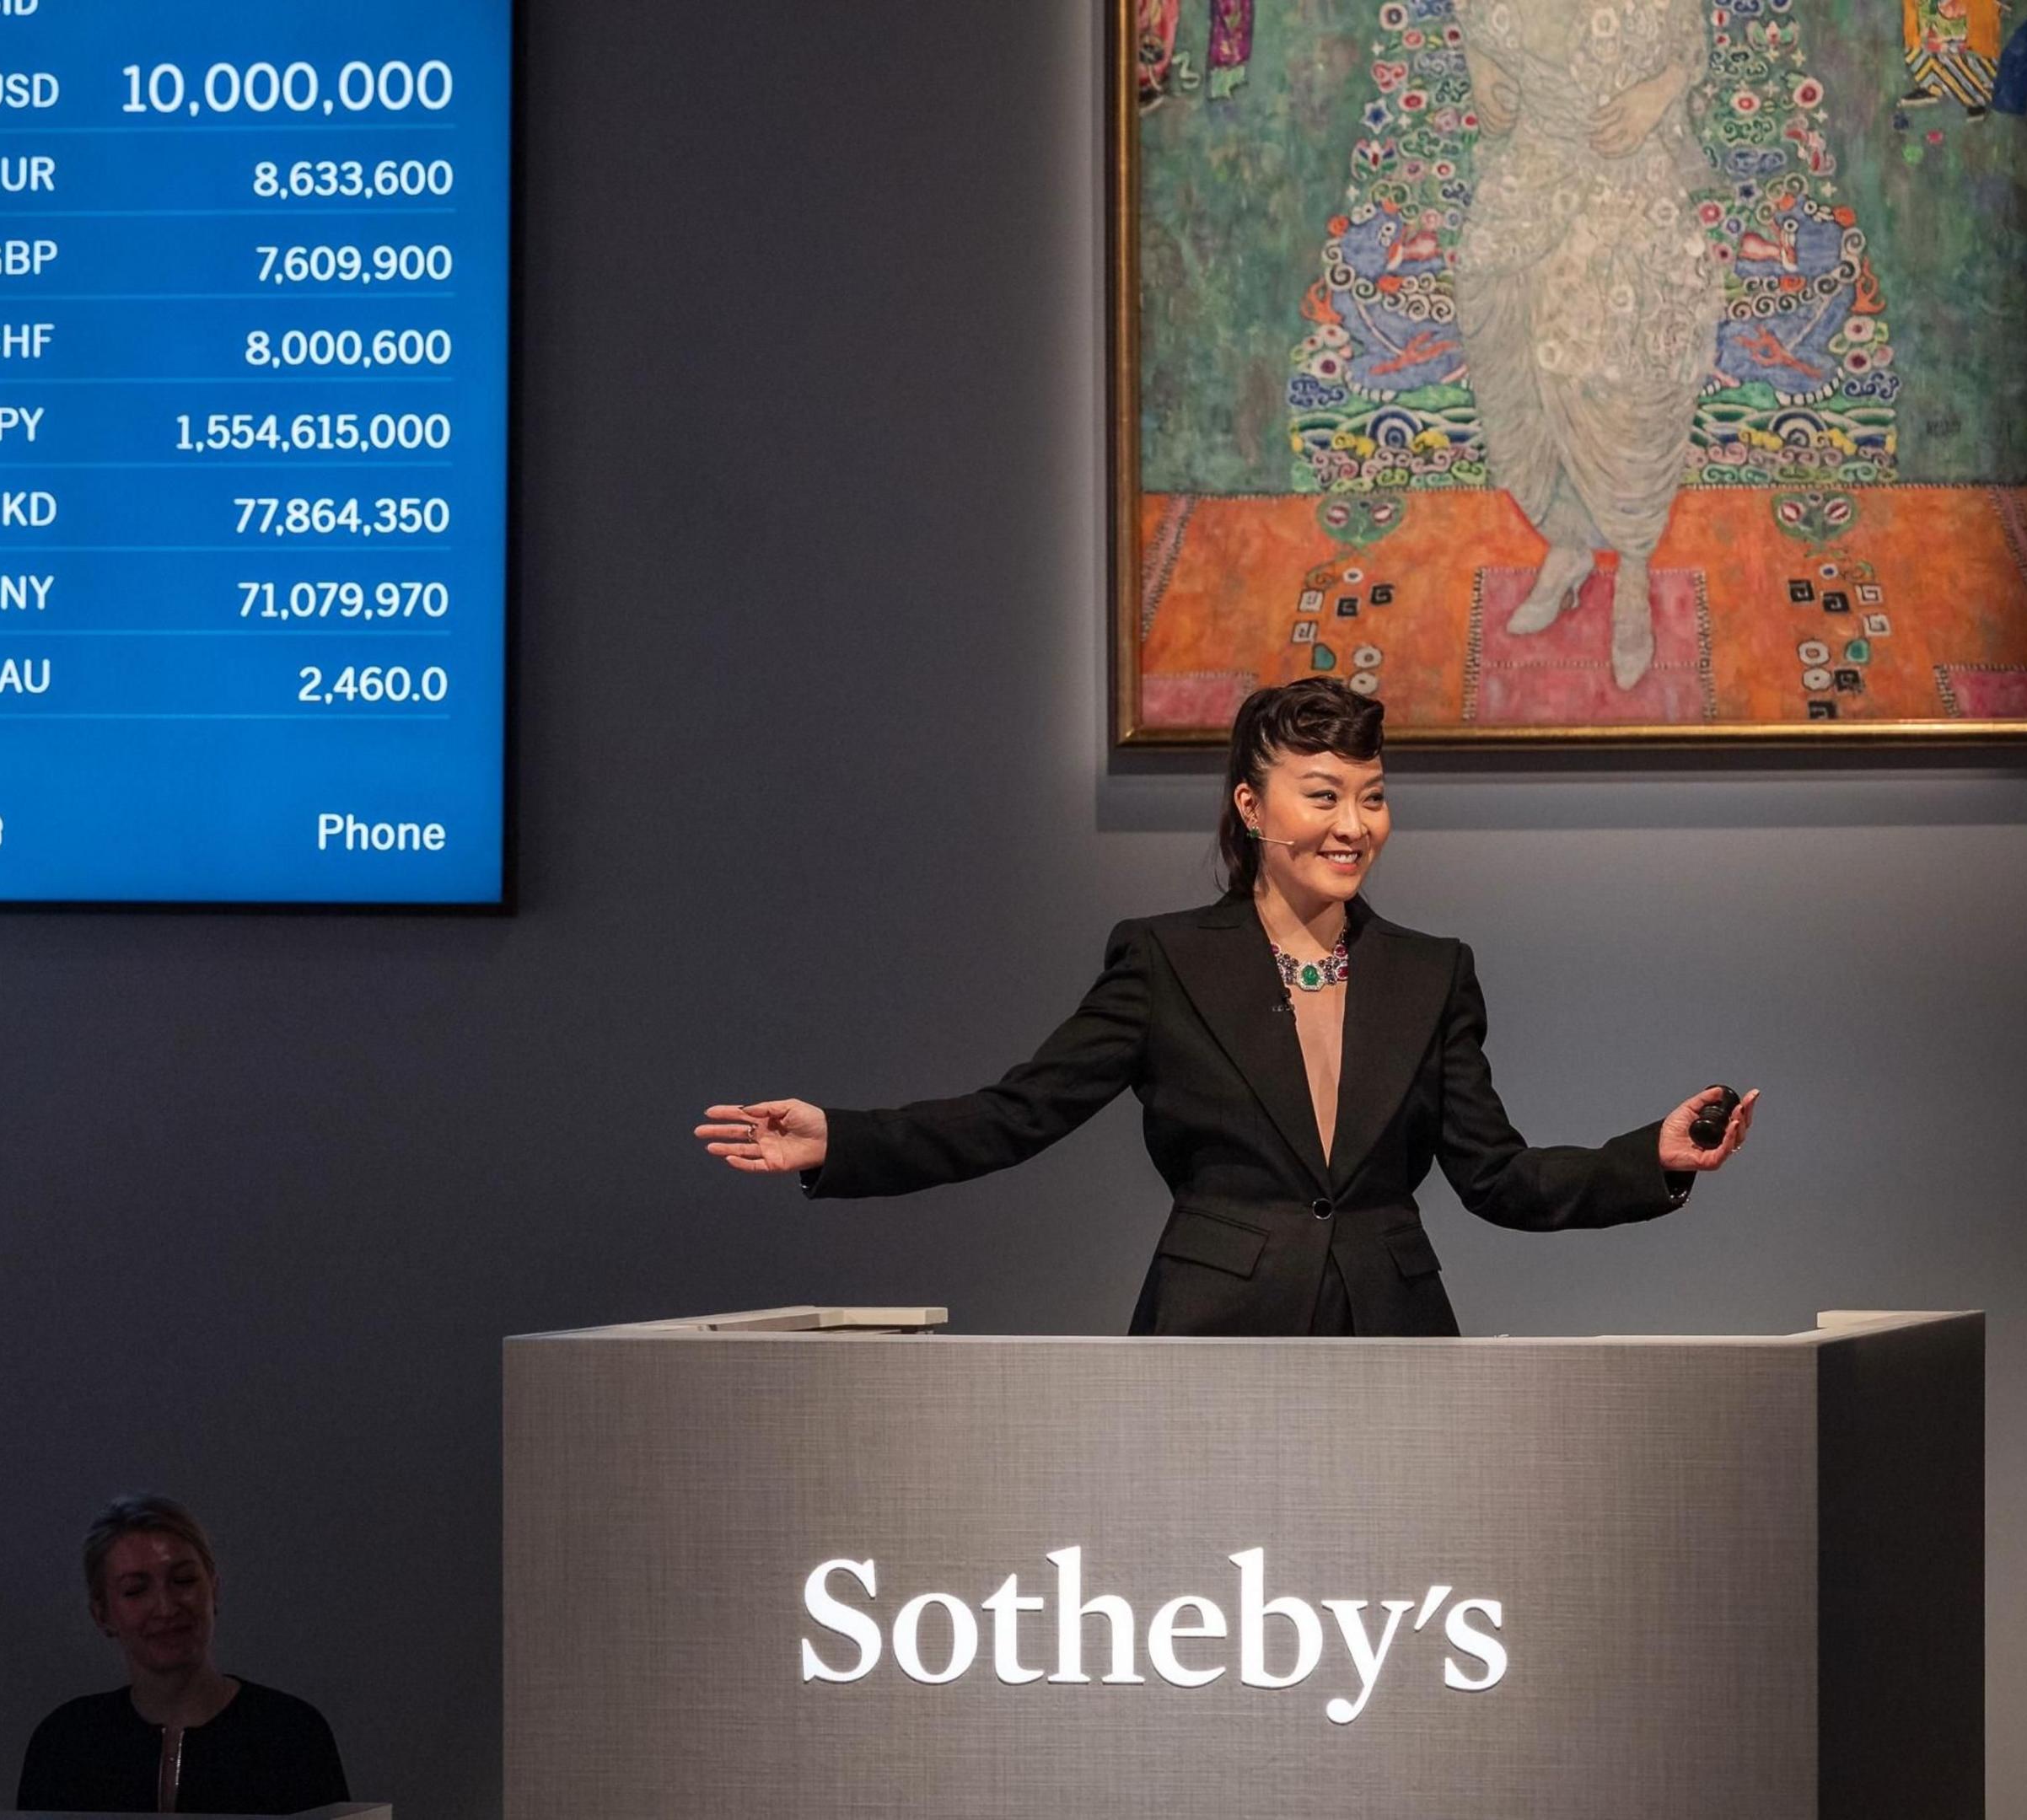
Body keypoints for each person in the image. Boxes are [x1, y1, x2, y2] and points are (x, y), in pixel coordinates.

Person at [698, 678, 1758, 1337]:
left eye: (1374, 793)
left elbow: (1498, 1175)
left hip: (1393, 1336)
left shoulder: (1433, 971)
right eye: (1325, 793)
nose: (1356, 823)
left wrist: (1650, 1158)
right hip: (1213, 1331)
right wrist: (839, 1139)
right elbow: (1015, 1113)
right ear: (1253, 808)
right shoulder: (1165, 961)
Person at [1454, 0, 1722, 690]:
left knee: (1618, 370)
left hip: (1626, 185)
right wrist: (1487, 79)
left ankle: (1631, 569)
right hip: (1531, 179)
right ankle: (1570, 545)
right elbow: (1480, 34)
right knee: (1506, 331)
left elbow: (1688, 47)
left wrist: (1654, 96)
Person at [15, 1496, 349, 1815]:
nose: (166, 1607)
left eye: (183, 1580)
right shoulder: (67, 1743)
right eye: (136, 1590)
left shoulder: (290, 1735)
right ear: (102, 1614)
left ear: (214, 1589)